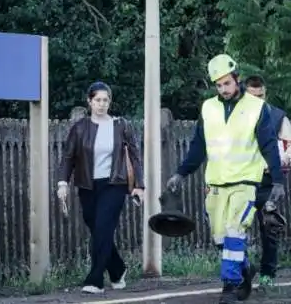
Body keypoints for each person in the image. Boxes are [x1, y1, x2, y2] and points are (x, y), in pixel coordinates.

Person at [166, 54, 285, 304]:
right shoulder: (208, 108)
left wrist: (277, 181)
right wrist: (181, 172)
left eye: (227, 84)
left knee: (234, 232)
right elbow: (199, 146)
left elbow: (268, 145)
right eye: (218, 85)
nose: (223, 89)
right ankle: (245, 270)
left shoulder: (256, 107)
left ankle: (230, 287)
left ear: (237, 79)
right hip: (216, 185)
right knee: (220, 238)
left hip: (245, 183)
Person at [56, 82, 145, 295]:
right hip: (87, 185)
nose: (102, 104)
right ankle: (117, 269)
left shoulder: (120, 125)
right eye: (97, 100)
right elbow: (68, 157)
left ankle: (95, 279)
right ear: (89, 101)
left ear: (109, 102)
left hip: (115, 184)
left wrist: (139, 186)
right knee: (97, 230)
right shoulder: (79, 128)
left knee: (104, 228)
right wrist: (62, 183)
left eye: (105, 100)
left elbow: (134, 156)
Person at [243, 75, 291, 291]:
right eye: (252, 96)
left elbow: (289, 148)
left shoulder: (279, 117)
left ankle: (267, 274)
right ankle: (243, 269)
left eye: (260, 95)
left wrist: (281, 161)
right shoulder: (235, 116)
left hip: (267, 180)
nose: (257, 100)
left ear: (265, 93)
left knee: (269, 228)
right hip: (240, 179)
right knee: (233, 229)